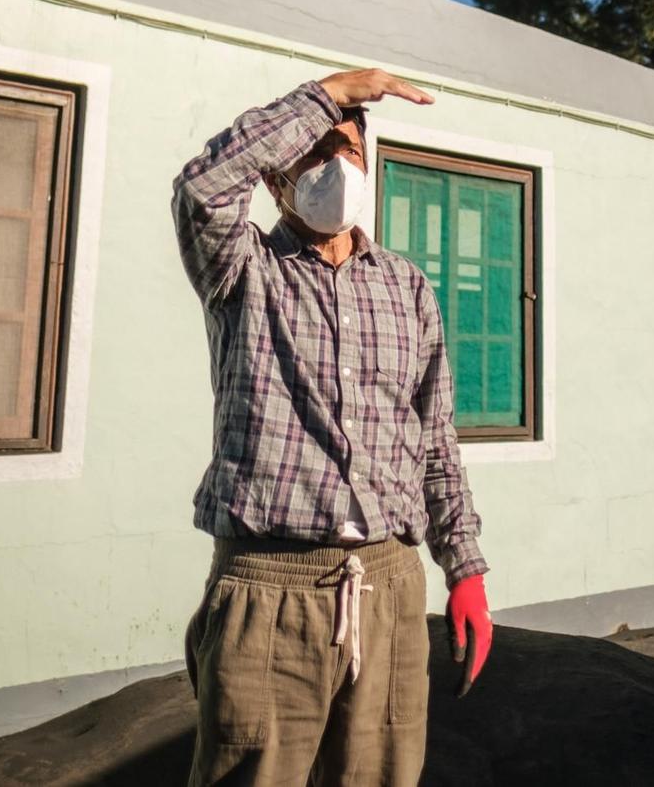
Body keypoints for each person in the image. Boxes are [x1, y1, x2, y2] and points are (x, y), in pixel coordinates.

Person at [171, 68, 493, 787]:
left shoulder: (407, 287)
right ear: (277, 178)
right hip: (268, 590)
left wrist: (463, 567)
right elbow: (201, 188)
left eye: (348, 149)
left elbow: (435, 440)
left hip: (390, 586)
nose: (336, 167)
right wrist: (329, 94)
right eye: (313, 153)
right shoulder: (242, 270)